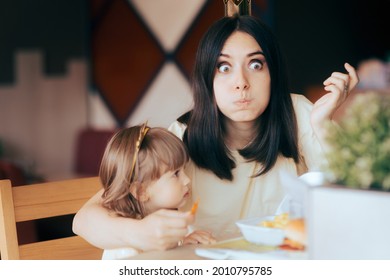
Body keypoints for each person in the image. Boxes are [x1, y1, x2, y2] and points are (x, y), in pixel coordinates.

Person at [73, 15, 359, 251]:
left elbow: (357, 196)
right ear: (206, 79)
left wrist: (323, 124)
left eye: (256, 64)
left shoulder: (297, 113)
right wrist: (139, 233)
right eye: (224, 67)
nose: (241, 83)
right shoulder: (184, 135)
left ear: (273, 72)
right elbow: (85, 219)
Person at [92, 123, 215, 259]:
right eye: (176, 174)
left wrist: (183, 246)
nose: (187, 180)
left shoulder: (170, 225)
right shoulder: (127, 251)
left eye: (184, 170)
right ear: (141, 191)